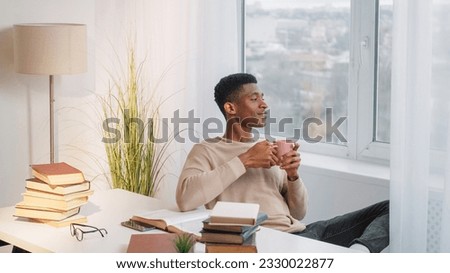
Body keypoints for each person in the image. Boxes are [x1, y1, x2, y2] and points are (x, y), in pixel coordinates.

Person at [176, 73, 389, 253]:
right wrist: (245, 160)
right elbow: (186, 200)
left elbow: (298, 213)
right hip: (266, 240)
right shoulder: (207, 150)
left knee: (391, 209)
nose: (264, 104)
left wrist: (293, 175)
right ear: (231, 108)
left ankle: (358, 254)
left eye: (263, 97)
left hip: (303, 233)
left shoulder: (269, 147)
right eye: (254, 99)